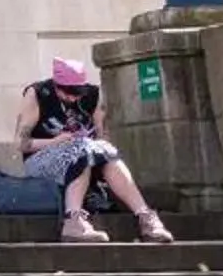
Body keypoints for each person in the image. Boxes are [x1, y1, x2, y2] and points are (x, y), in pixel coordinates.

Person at [19, 56, 175, 244]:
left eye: (78, 93)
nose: (73, 98)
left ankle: (146, 217)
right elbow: (22, 144)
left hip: (85, 154)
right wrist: (56, 141)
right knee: (84, 150)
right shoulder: (37, 94)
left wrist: (93, 145)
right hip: (41, 159)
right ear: (56, 85)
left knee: (102, 150)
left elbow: (101, 136)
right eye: (68, 93)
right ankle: (73, 220)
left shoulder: (92, 96)